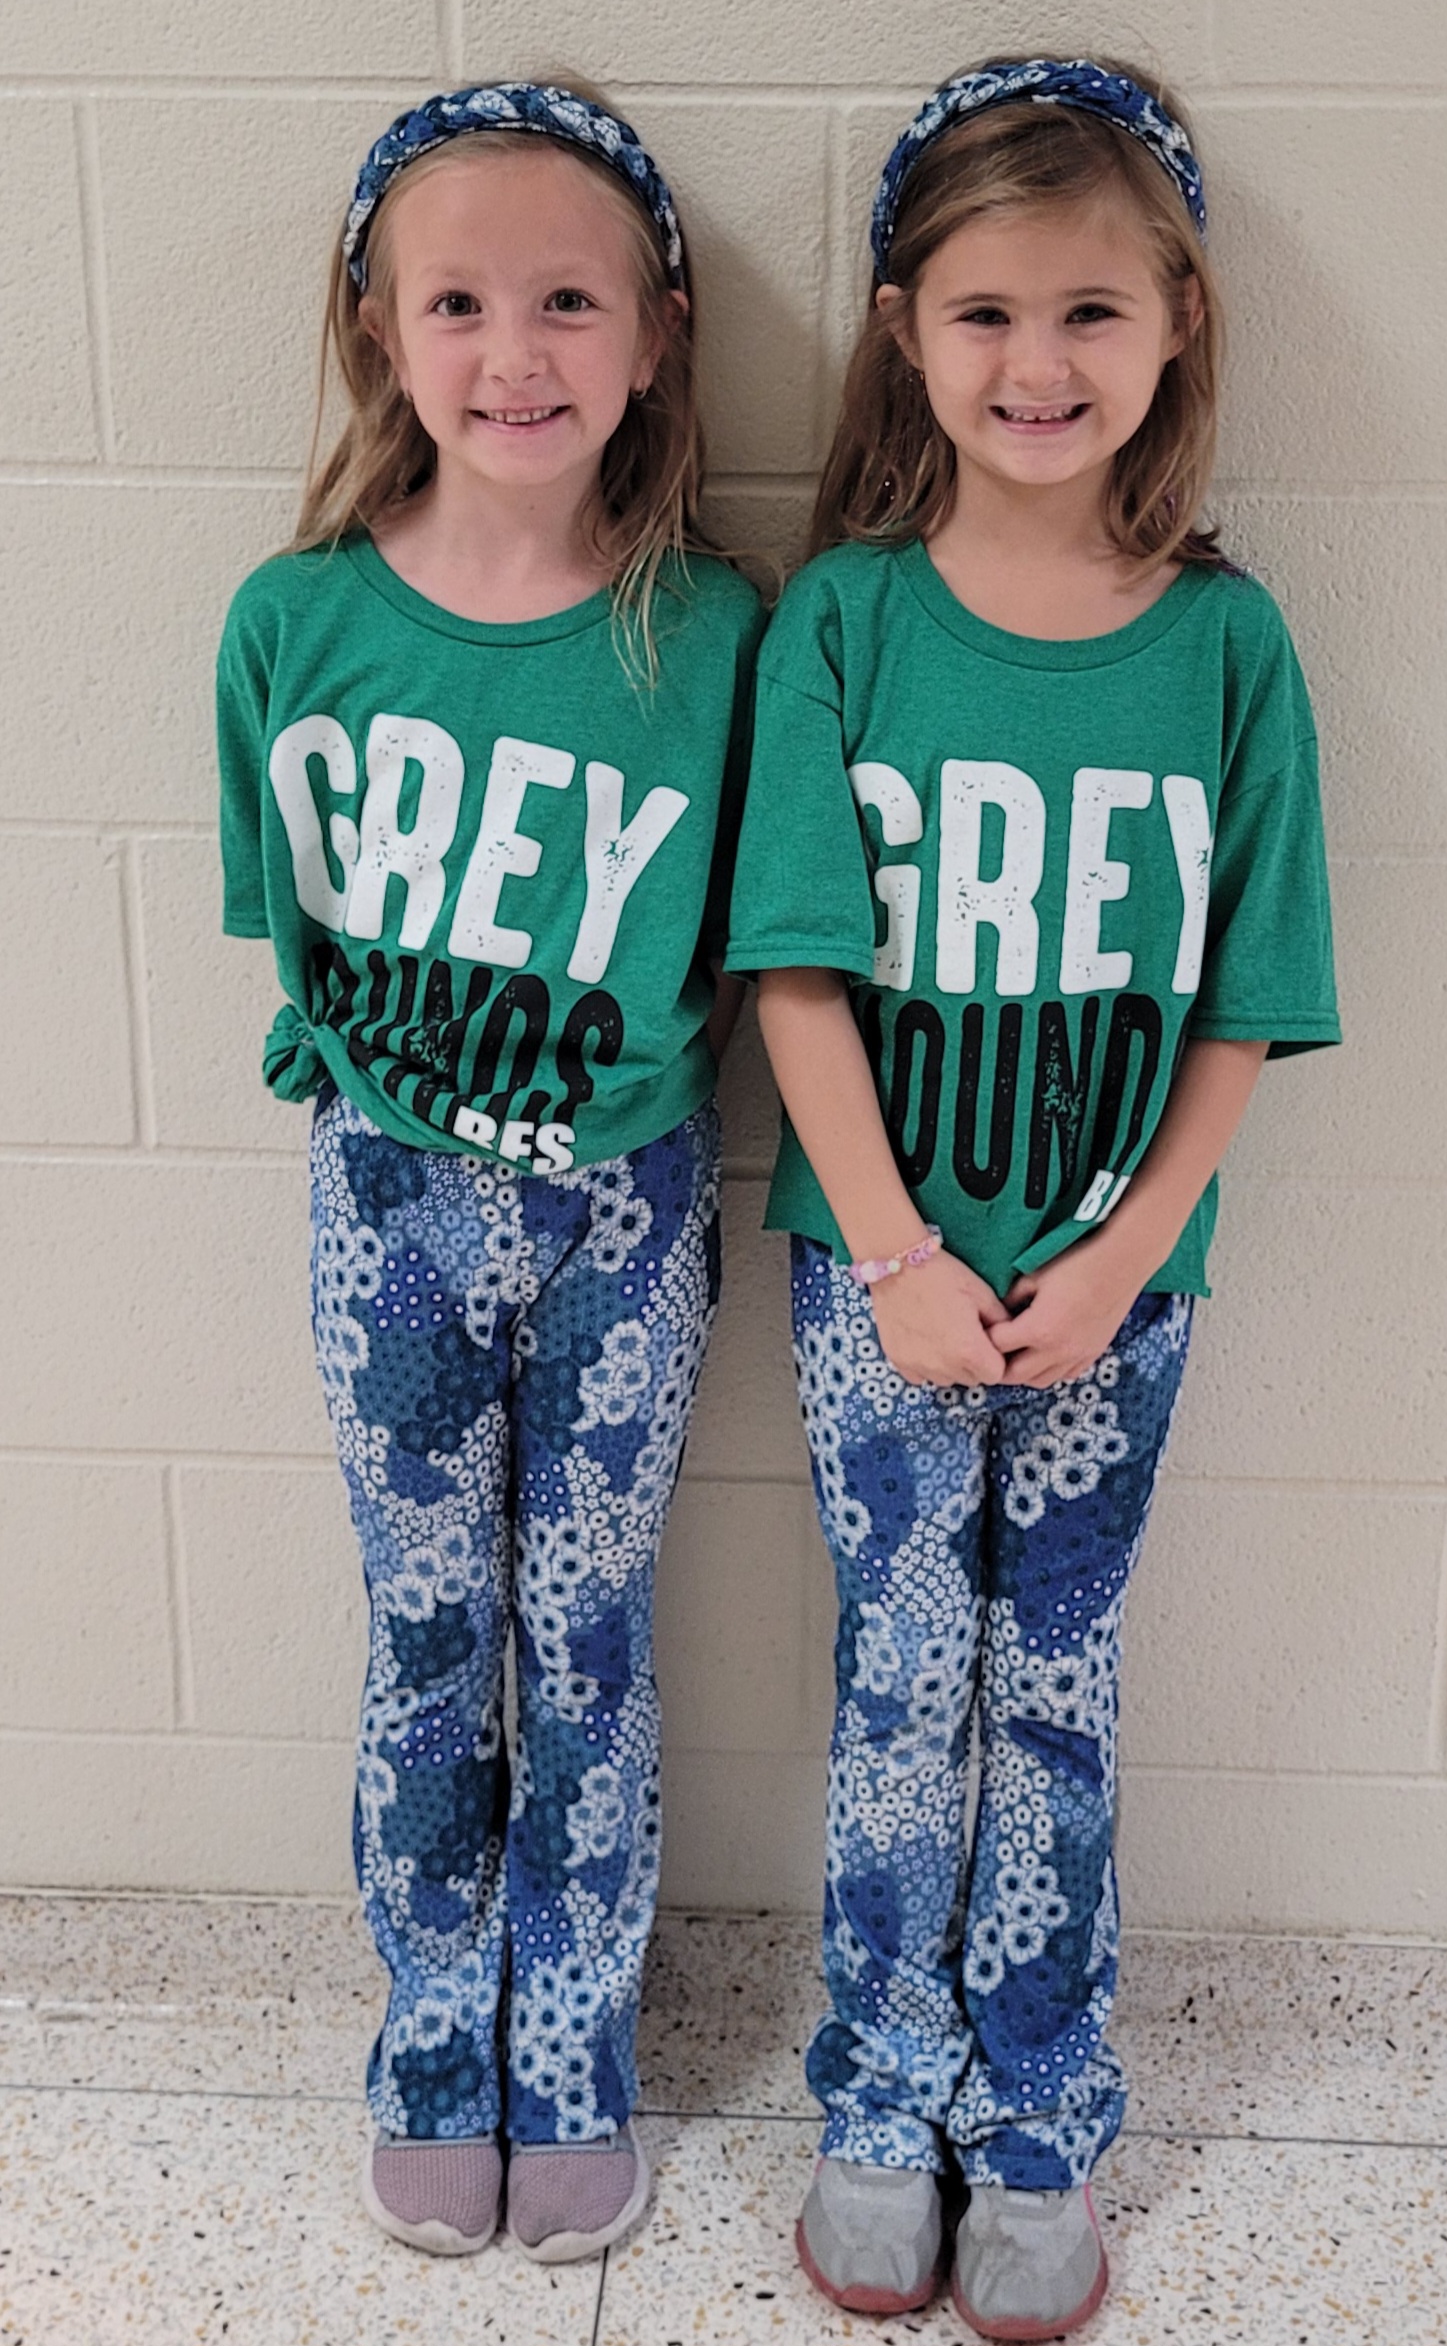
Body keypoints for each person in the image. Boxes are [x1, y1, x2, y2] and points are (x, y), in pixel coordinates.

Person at [727, 56, 1339, 2341]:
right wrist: (891, 1250)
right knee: (904, 1683)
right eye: (984, 312)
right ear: (904, 328)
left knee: (1053, 1696)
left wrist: (1113, 1253)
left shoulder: (1225, 647)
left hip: (1114, 1291)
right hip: (877, 1275)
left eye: (1090, 310)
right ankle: (877, 2098)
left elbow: (1243, 1012)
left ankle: (1039, 2108)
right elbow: (792, 969)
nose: (1037, 363)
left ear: (1177, 319)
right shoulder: (850, 628)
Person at [216, 78, 760, 2264]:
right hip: (384, 1203)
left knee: (589, 1632)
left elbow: (751, 950)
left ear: (653, 337)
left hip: (625, 1212)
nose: (512, 351)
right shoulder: (291, 623)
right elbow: (289, 934)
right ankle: (440, 2024)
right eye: (459, 301)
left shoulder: (715, 636)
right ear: (377, 330)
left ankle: (578, 2040)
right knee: (430, 1626)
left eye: (566, 301)